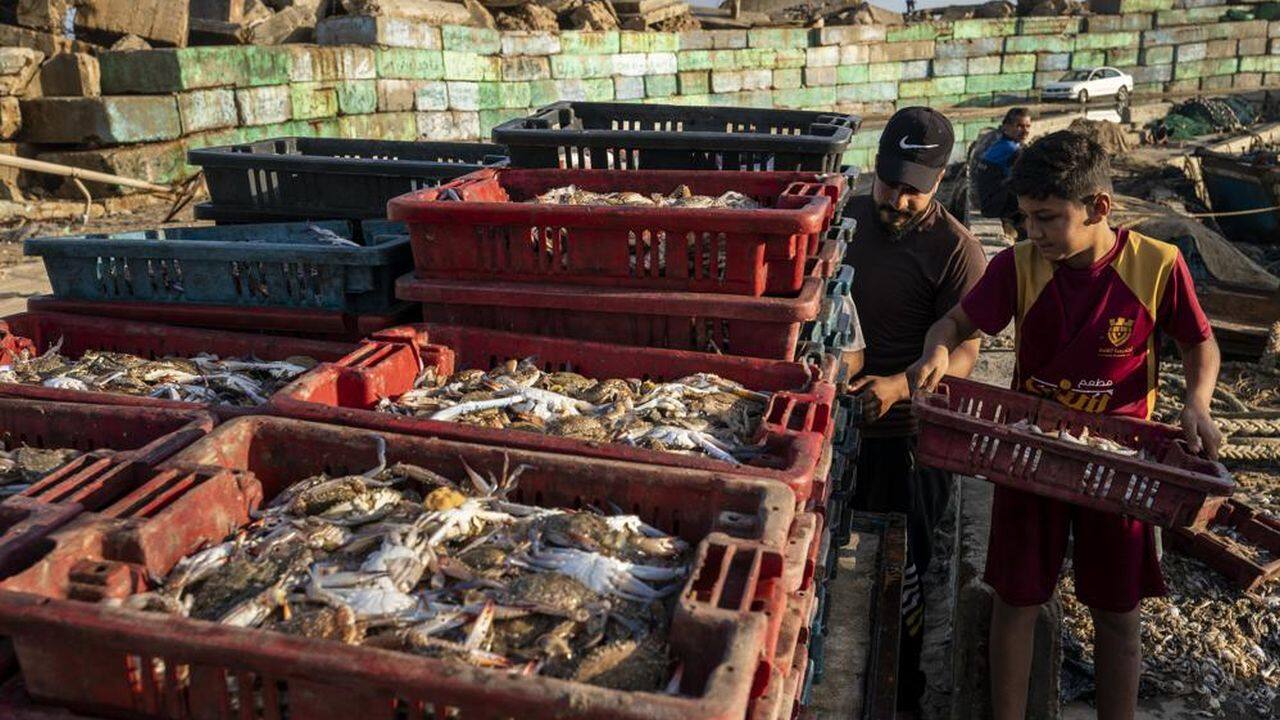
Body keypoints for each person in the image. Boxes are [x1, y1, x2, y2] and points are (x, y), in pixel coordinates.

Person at [906, 131, 1223, 720]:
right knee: (1017, 599)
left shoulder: (1157, 265)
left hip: (1120, 465)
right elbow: (954, 324)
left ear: (1099, 207)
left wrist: (1197, 403)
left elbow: (1199, 344)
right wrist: (937, 353)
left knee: (1117, 611)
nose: (1036, 233)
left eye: (1048, 218)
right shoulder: (1019, 266)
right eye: (1027, 218)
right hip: (1032, 454)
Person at [841, 106, 988, 715]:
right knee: (839, 562)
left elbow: (966, 354)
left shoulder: (958, 251)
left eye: (913, 191)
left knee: (903, 574)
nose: (897, 201)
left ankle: (902, 694)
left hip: (908, 442)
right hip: (838, 426)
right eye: (889, 184)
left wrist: (900, 387)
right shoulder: (846, 216)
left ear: (939, 180)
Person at [974, 107, 1032, 221]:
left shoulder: (1000, 143)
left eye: (1028, 126)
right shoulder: (1011, 149)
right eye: (1019, 126)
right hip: (993, 208)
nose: (1025, 131)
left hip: (986, 203)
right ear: (1006, 127)